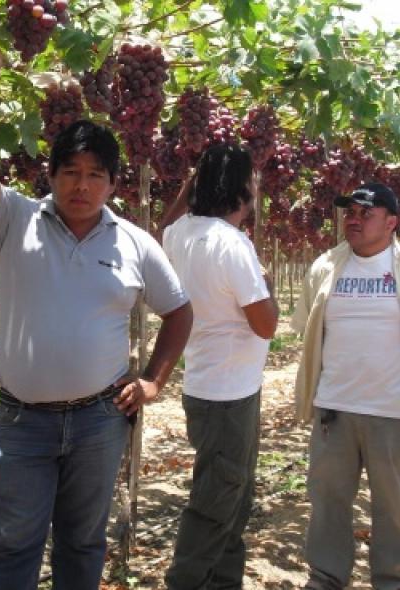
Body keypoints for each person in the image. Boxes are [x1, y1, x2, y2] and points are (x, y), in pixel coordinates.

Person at [0, 48, 193, 590]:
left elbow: (179, 311)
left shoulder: (135, 241)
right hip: (24, 422)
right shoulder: (15, 218)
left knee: (84, 543)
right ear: (51, 175)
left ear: (112, 183)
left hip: (99, 421)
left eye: (94, 175)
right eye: (70, 173)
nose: (81, 186)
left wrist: (154, 380)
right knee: (13, 544)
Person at [161, 144, 279, 589]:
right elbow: (265, 325)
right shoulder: (232, 244)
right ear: (241, 188)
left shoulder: (182, 233)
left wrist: (191, 182)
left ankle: (224, 581)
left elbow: (162, 228)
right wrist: (267, 286)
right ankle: (187, 581)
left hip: (212, 387)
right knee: (216, 501)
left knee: (233, 495)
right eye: (252, 180)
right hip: (229, 395)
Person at [292, 183, 400, 590]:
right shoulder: (325, 266)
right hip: (334, 407)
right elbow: (305, 329)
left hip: (393, 410)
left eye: (365, 213)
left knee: (394, 507)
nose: (352, 219)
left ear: (392, 222)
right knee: (328, 501)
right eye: (348, 212)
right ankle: (325, 577)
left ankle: (391, 579)